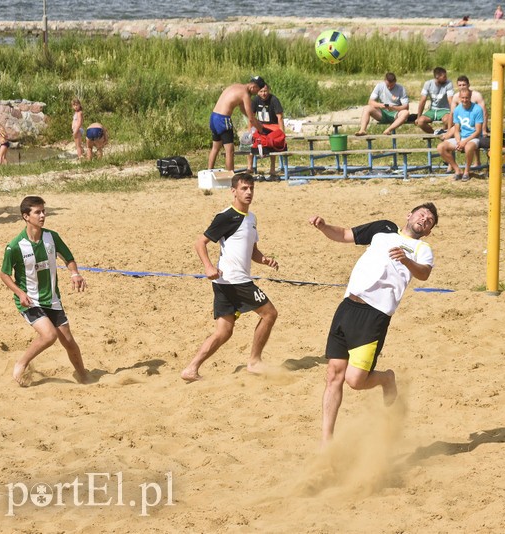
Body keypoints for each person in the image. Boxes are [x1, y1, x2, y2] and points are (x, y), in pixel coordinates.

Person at [310, 203, 438, 445]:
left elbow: (424, 274)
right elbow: (345, 234)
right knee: (333, 374)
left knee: (356, 380)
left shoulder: (422, 248)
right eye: (422, 214)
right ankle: (327, 441)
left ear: (429, 230)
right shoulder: (383, 229)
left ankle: (386, 379)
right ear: (408, 215)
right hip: (348, 306)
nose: (424, 219)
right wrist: (323, 226)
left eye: (430, 220)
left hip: (375, 314)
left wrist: (407, 261)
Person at [181, 172, 279, 382]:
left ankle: (191, 368)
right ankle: (254, 361)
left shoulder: (251, 218)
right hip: (234, 281)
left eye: (251, 188)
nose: (249, 192)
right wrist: (208, 266)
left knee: (224, 332)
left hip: (227, 282)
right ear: (233, 191)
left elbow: (253, 252)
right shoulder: (226, 216)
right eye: (244, 189)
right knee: (270, 314)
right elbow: (200, 243)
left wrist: (265, 260)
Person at [0, 196, 90, 386]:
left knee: (69, 342)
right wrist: (19, 293)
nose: (43, 215)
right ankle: (21, 363)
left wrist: (74, 273)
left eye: (43, 211)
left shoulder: (52, 237)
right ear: (26, 216)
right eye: (37, 212)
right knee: (49, 335)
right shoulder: (15, 246)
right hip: (30, 300)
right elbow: (5, 275)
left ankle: (84, 377)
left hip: (52, 299)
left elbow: (69, 258)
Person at [208, 77, 266, 171]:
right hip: (223, 119)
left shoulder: (237, 86)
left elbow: (244, 110)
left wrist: (253, 119)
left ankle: (208, 172)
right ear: (253, 86)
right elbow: (251, 119)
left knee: (215, 147)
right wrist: (262, 129)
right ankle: (231, 176)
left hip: (214, 116)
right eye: (258, 91)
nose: (257, 94)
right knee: (229, 151)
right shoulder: (245, 94)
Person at [437, 88, 483, 182]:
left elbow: (477, 131)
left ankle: (467, 171)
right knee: (441, 147)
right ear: (459, 98)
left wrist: (464, 142)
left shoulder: (477, 109)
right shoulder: (457, 110)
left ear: (470, 97)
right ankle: (457, 170)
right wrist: (458, 141)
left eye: (467, 98)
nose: (465, 100)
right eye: (463, 98)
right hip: (461, 137)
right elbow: (457, 130)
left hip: (473, 137)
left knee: (468, 147)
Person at [248, 83, 285, 177]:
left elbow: (280, 117)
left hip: (273, 126)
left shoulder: (274, 100)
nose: (263, 93)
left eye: (265, 91)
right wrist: (250, 131)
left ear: (268, 90)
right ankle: (249, 167)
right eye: (261, 91)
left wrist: (282, 132)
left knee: (273, 141)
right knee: (251, 141)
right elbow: (251, 116)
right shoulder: (255, 100)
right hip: (260, 126)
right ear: (258, 92)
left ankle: (272, 168)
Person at [415, 67, 454, 135]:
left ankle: (443, 132)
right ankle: (435, 134)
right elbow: (422, 101)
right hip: (432, 110)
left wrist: (453, 114)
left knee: (448, 120)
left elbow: (451, 100)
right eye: (444, 76)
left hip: (445, 110)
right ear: (437, 77)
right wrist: (418, 117)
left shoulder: (448, 83)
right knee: (420, 122)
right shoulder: (428, 84)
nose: (446, 78)